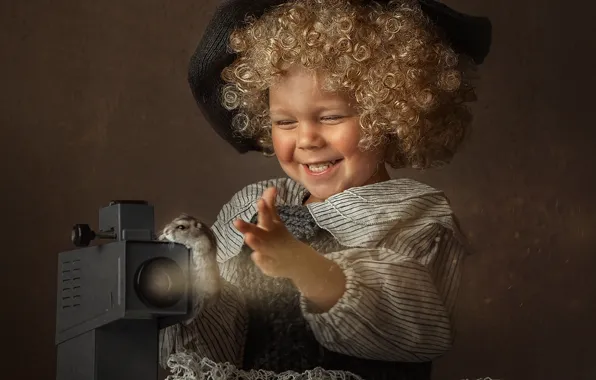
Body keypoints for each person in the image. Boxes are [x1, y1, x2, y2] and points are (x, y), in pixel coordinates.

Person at [159, 1, 492, 379]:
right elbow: (222, 350)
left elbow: (420, 327)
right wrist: (200, 293)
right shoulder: (252, 206)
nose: (306, 139)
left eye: (331, 116)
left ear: (387, 115)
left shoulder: (416, 217)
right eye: (285, 121)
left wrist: (309, 268)